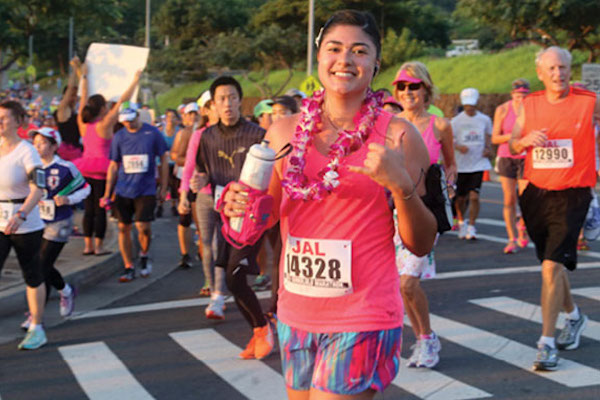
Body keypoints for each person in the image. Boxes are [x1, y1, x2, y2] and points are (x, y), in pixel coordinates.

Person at [220, 10, 436, 398]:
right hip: (296, 312)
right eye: (334, 49)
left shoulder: (400, 137)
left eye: (359, 51)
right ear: (318, 57)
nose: (345, 60)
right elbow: (254, 225)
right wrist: (237, 203)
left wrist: (400, 184)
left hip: (364, 313)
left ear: (375, 63)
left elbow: (422, 242)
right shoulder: (283, 132)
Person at [509, 46, 599, 371]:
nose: (558, 74)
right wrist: (523, 141)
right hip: (536, 194)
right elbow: (512, 142)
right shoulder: (530, 104)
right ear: (540, 73)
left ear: (570, 69)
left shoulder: (589, 101)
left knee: (550, 268)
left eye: (563, 67)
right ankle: (574, 316)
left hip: (574, 194)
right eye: (552, 69)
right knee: (553, 265)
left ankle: (546, 344)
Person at [191, 76, 272, 345]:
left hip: (250, 214)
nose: (227, 104)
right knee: (231, 274)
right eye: (221, 99)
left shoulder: (257, 135)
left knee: (235, 275)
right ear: (213, 105)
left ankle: (263, 327)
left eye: (232, 97)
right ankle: (260, 328)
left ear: (240, 100)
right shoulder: (207, 137)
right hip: (222, 211)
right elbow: (203, 171)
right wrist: (198, 181)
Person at [392, 61, 457, 369]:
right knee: (400, 285)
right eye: (401, 86)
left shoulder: (440, 126)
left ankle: (427, 338)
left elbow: (450, 164)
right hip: (392, 214)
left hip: (425, 214)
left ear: (426, 89)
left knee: (407, 283)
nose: (407, 92)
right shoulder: (388, 125)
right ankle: (423, 339)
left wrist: (450, 183)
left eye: (413, 86)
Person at [74, 64, 142, 256]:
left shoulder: (83, 123)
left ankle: (87, 246)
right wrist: (135, 81)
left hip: (85, 169)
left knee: (88, 209)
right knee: (100, 209)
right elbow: (122, 101)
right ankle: (99, 246)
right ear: (103, 108)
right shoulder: (104, 125)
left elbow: (83, 100)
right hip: (103, 171)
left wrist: (84, 76)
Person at [29, 127, 90, 323]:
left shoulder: (65, 168)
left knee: (42, 264)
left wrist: (69, 198)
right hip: (35, 222)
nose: (37, 147)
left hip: (59, 221)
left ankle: (35, 315)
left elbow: (85, 188)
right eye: (35, 143)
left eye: (42, 143)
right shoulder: (30, 167)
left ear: (54, 146)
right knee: (39, 264)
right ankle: (66, 290)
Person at [101, 104, 168, 282]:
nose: (128, 124)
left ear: (138, 116)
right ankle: (128, 266)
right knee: (123, 227)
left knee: (143, 227)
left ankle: (144, 255)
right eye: (125, 121)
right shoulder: (119, 137)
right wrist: (108, 192)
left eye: (131, 120)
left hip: (145, 188)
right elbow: (114, 165)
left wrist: (164, 186)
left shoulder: (152, 133)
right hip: (124, 189)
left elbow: (163, 157)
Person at [0, 101, 47, 350]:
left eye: (5, 118)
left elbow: (38, 189)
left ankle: (37, 327)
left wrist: (20, 214)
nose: (0, 123)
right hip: (0, 220)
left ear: (18, 122)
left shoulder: (27, 151)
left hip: (25, 222)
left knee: (31, 274)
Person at [179, 91, 223, 297]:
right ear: (206, 109)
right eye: (212, 105)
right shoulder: (198, 135)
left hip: (228, 196)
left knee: (221, 244)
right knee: (207, 242)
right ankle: (212, 284)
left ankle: (222, 282)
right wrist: (183, 196)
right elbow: (189, 166)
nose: (217, 108)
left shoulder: (232, 132)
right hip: (205, 196)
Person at [491, 79, 531, 253]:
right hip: (507, 157)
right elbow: (494, 138)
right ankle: (511, 239)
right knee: (509, 200)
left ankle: (522, 225)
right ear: (512, 94)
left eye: (524, 95)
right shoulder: (502, 109)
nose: (520, 98)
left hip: (526, 157)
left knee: (526, 198)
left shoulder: (532, 110)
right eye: (517, 94)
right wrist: (514, 137)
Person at [451, 87, 492, 240]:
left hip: (478, 163)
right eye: (467, 105)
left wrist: (488, 149)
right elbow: (450, 140)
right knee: (461, 198)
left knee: (474, 196)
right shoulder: (456, 121)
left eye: (472, 104)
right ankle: (461, 222)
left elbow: (488, 137)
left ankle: (472, 226)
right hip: (462, 164)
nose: (470, 107)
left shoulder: (484, 120)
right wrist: (458, 146)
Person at [171, 102, 200, 269]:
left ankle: (203, 252)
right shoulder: (184, 133)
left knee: (203, 222)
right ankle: (185, 254)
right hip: (186, 180)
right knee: (185, 220)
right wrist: (193, 163)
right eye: (190, 114)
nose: (193, 117)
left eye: (196, 113)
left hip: (204, 183)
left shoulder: (208, 131)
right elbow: (176, 156)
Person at [54, 57, 83, 161]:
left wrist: (81, 72)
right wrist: (75, 69)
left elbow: (83, 90)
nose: (75, 98)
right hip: (66, 153)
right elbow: (71, 87)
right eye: (72, 95)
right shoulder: (62, 110)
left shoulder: (74, 111)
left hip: (77, 151)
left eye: (76, 95)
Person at [157, 108, 181, 218]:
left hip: (175, 162)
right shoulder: (161, 132)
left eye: (173, 117)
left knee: (175, 185)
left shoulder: (179, 132)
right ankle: (160, 205)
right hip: (163, 162)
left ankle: (173, 205)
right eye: (169, 117)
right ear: (165, 119)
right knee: (163, 184)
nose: (171, 119)